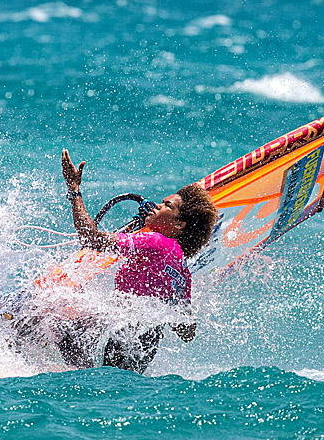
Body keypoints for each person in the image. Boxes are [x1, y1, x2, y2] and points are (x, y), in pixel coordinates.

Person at [55, 148, 220, 373]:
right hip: (146, 343)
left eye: (167, 206)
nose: (158, 206)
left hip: (125, 330)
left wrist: (74, 190)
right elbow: (187, 333)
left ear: (179, 225)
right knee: (111, 380)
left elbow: (91, 238)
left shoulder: (156, 242)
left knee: (56, 315)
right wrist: (165, 312)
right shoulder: (182, 269)